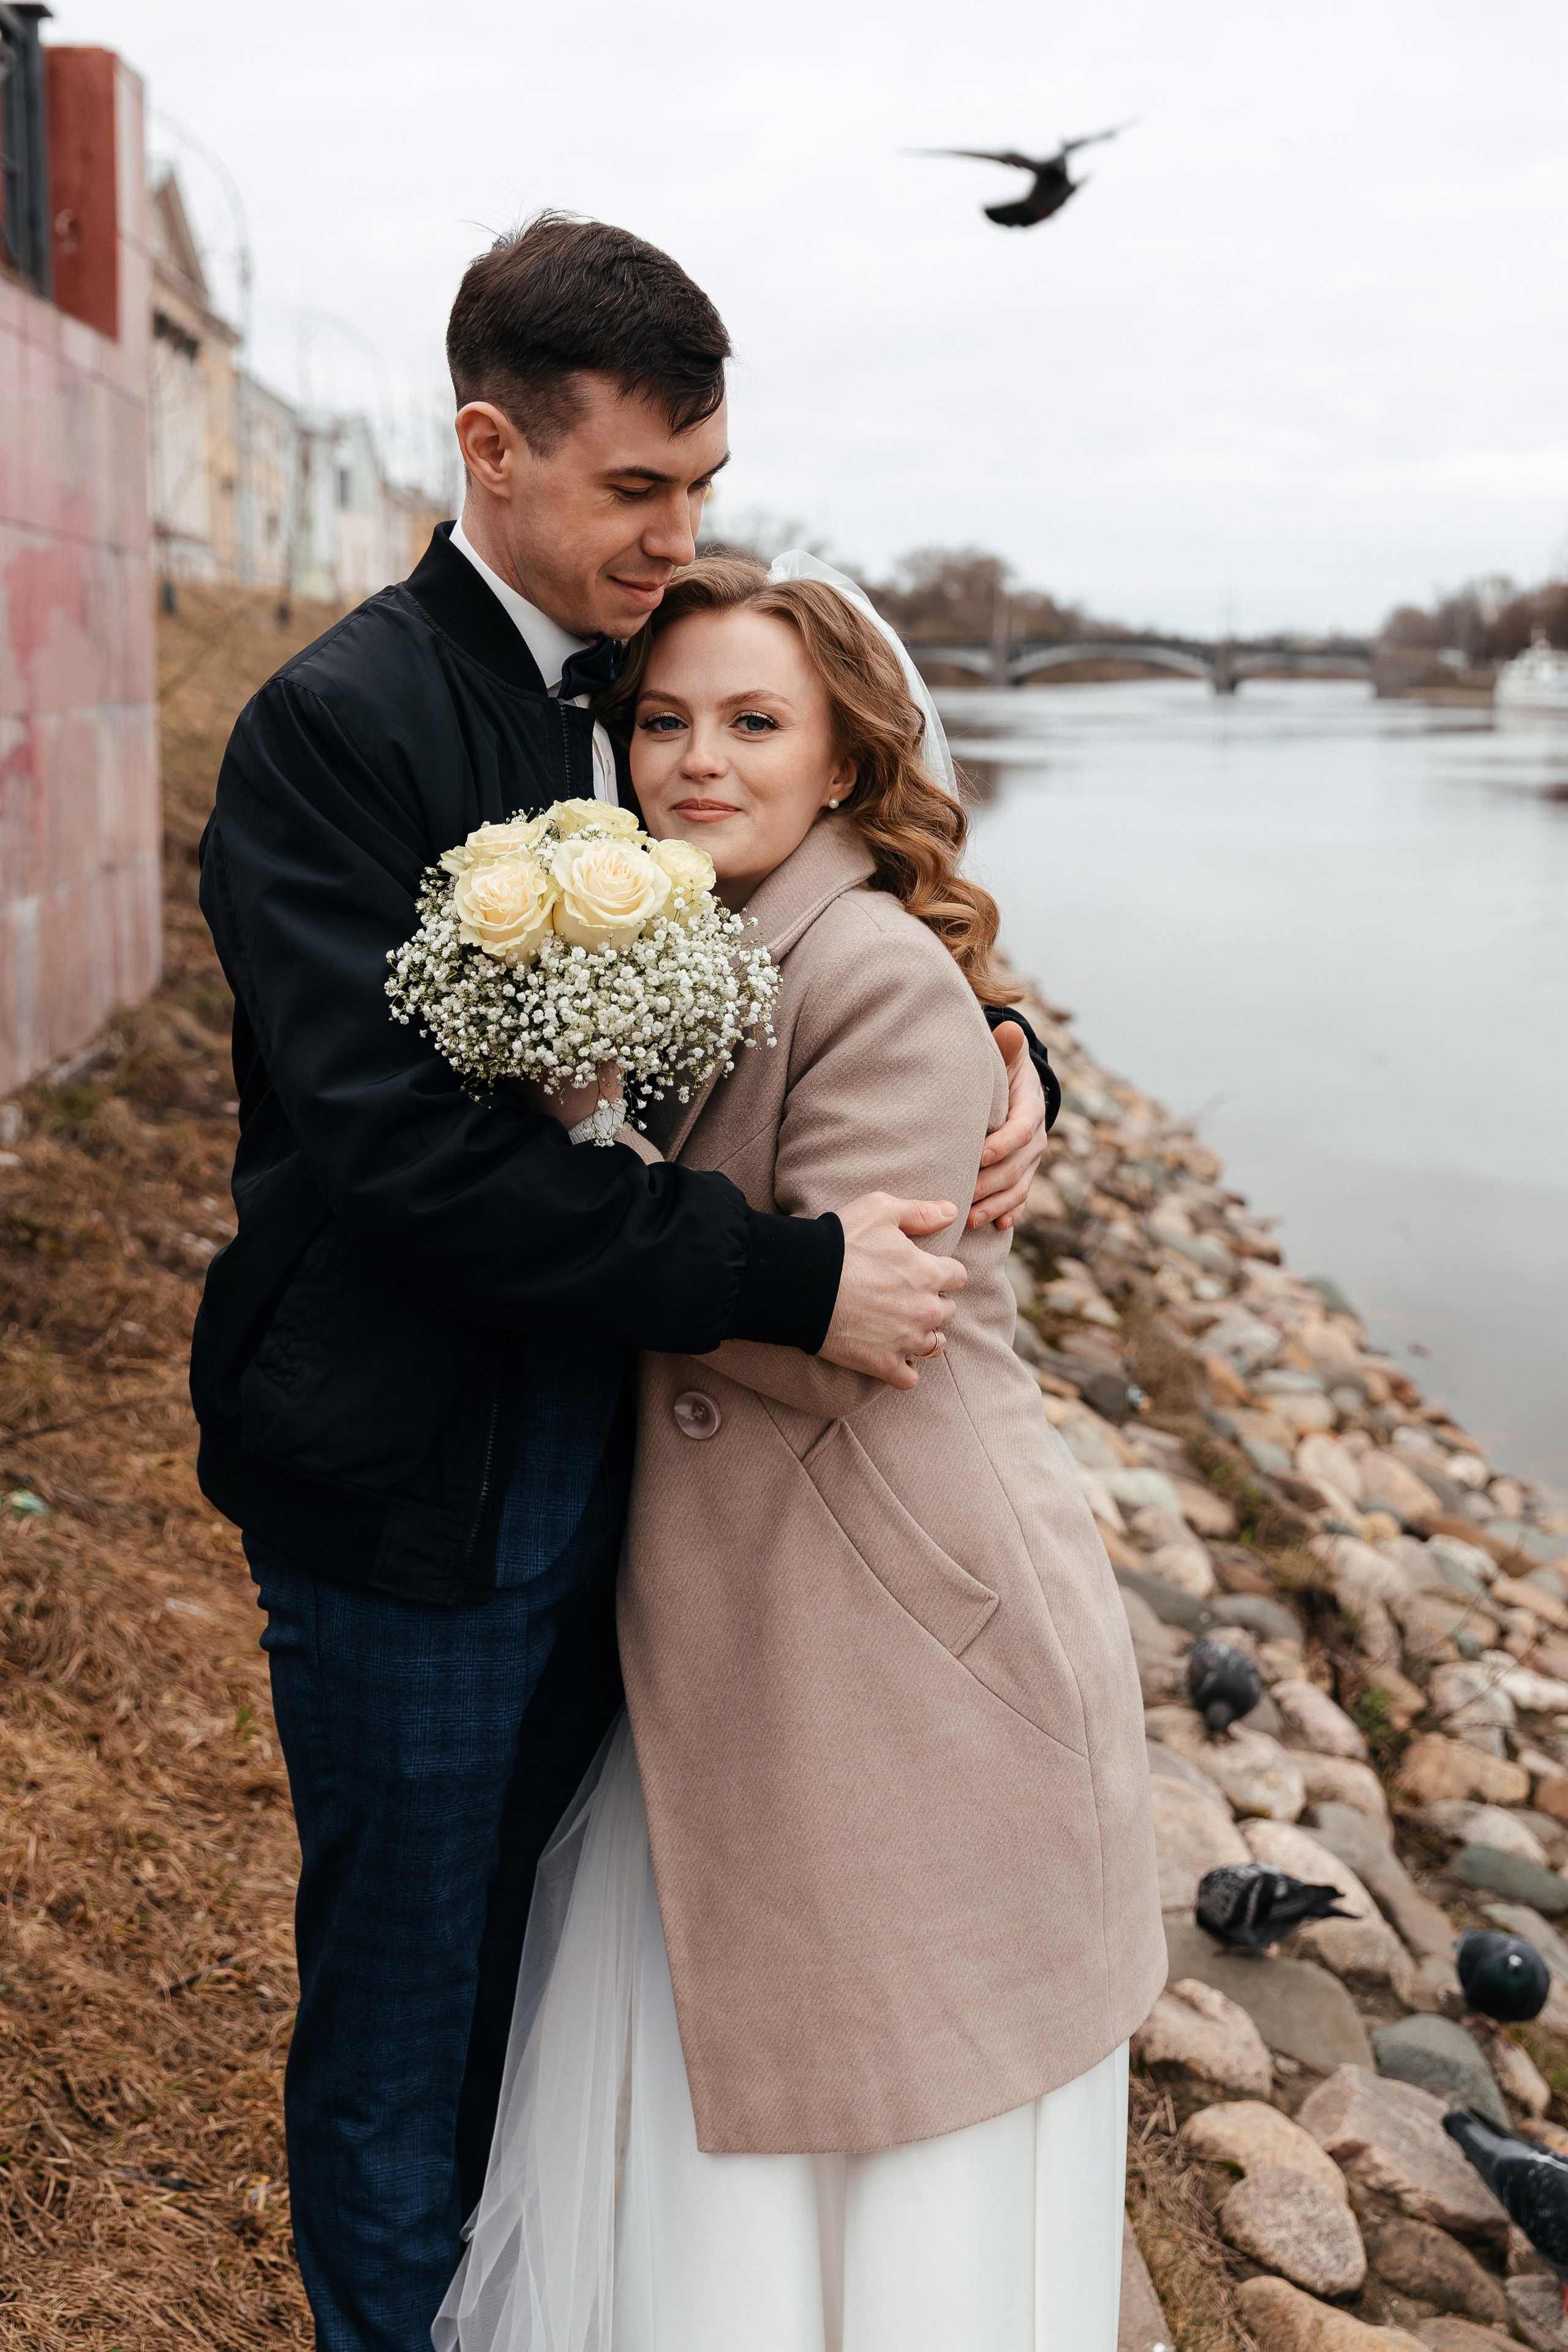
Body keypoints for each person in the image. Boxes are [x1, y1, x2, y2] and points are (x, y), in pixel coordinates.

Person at [190, 215, 1051, 2351]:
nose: (678, 537)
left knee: (562, 1996)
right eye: (637, 489)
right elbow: (411, 1163)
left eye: (706, 486)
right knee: (409, 2019)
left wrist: (1007, 1053)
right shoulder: (335, 730)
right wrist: (789, 1277)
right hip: (422, 1485)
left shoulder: (654, 691)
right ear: (491, 450)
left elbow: (809, 941)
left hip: (654, 1501)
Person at [437, 555, 1163, 2351]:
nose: (699, 760)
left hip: (895, 1637)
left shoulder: (878, 973)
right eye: (664, 722)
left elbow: (856, 1335)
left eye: (755, 722)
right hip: (750, 1623)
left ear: (843, 762)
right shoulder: (701, 946)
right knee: (736, 2092)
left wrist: (578, 1154)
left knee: (882, 2125)